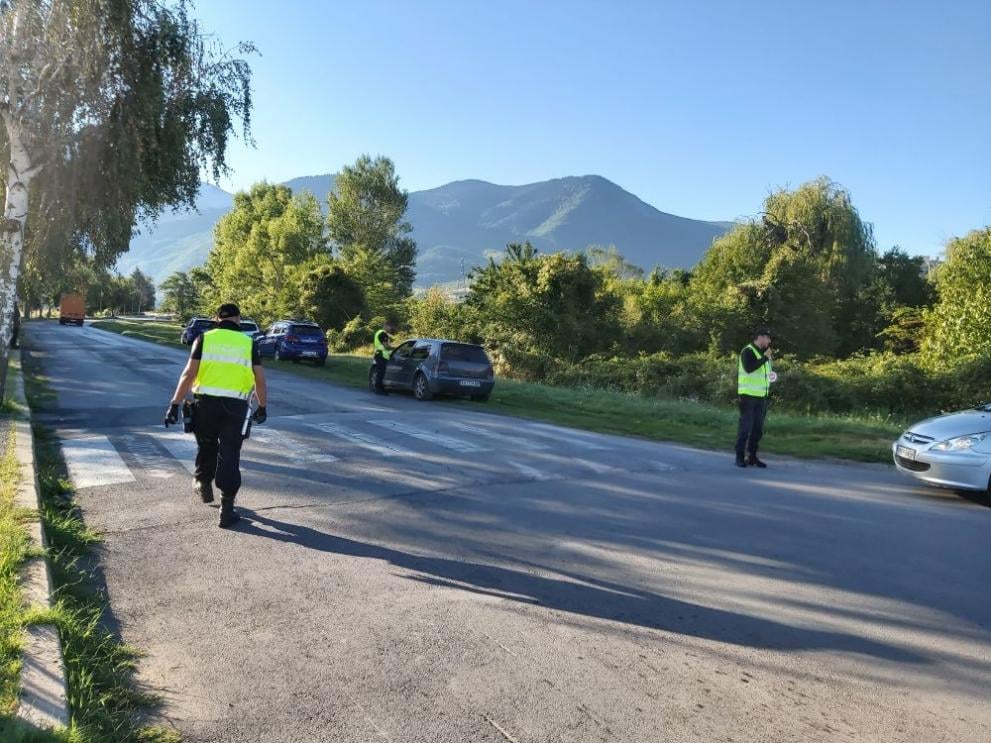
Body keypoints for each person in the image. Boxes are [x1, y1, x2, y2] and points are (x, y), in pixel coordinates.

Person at [165, 303, 268, 527]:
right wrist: (262, 406)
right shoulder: (249, 343)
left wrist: (174, 403)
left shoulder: (204, 339)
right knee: (230, 452)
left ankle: (203, 482)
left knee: (207, 444)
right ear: (238, 319)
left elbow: (188, 374)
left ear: (217, 319)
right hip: (236, 408)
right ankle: (227, 509)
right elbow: (259, 378)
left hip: (205, 405)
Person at [735, 329, 773, 469]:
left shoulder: (765, 353)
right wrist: (765, 358)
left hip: (761, 397)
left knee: (757, 429)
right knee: (745, 428)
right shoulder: (748, 351)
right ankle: (739, 456)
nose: (769, 341)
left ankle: (752, 456)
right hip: (747, 396)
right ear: (760, 338)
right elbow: (749, 368)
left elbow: (765, 373)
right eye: (767, 338)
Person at [372, 321, 396, 395]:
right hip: (381, 355)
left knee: (381, 372)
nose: (391, 329)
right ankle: (378, 389)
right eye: (390, 328)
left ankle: (381, 388)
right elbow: (386, 347)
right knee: (381, 373)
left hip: (379, 354)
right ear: (386, 326)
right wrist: (394, 348)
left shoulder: (379, 332)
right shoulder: (383, 334)